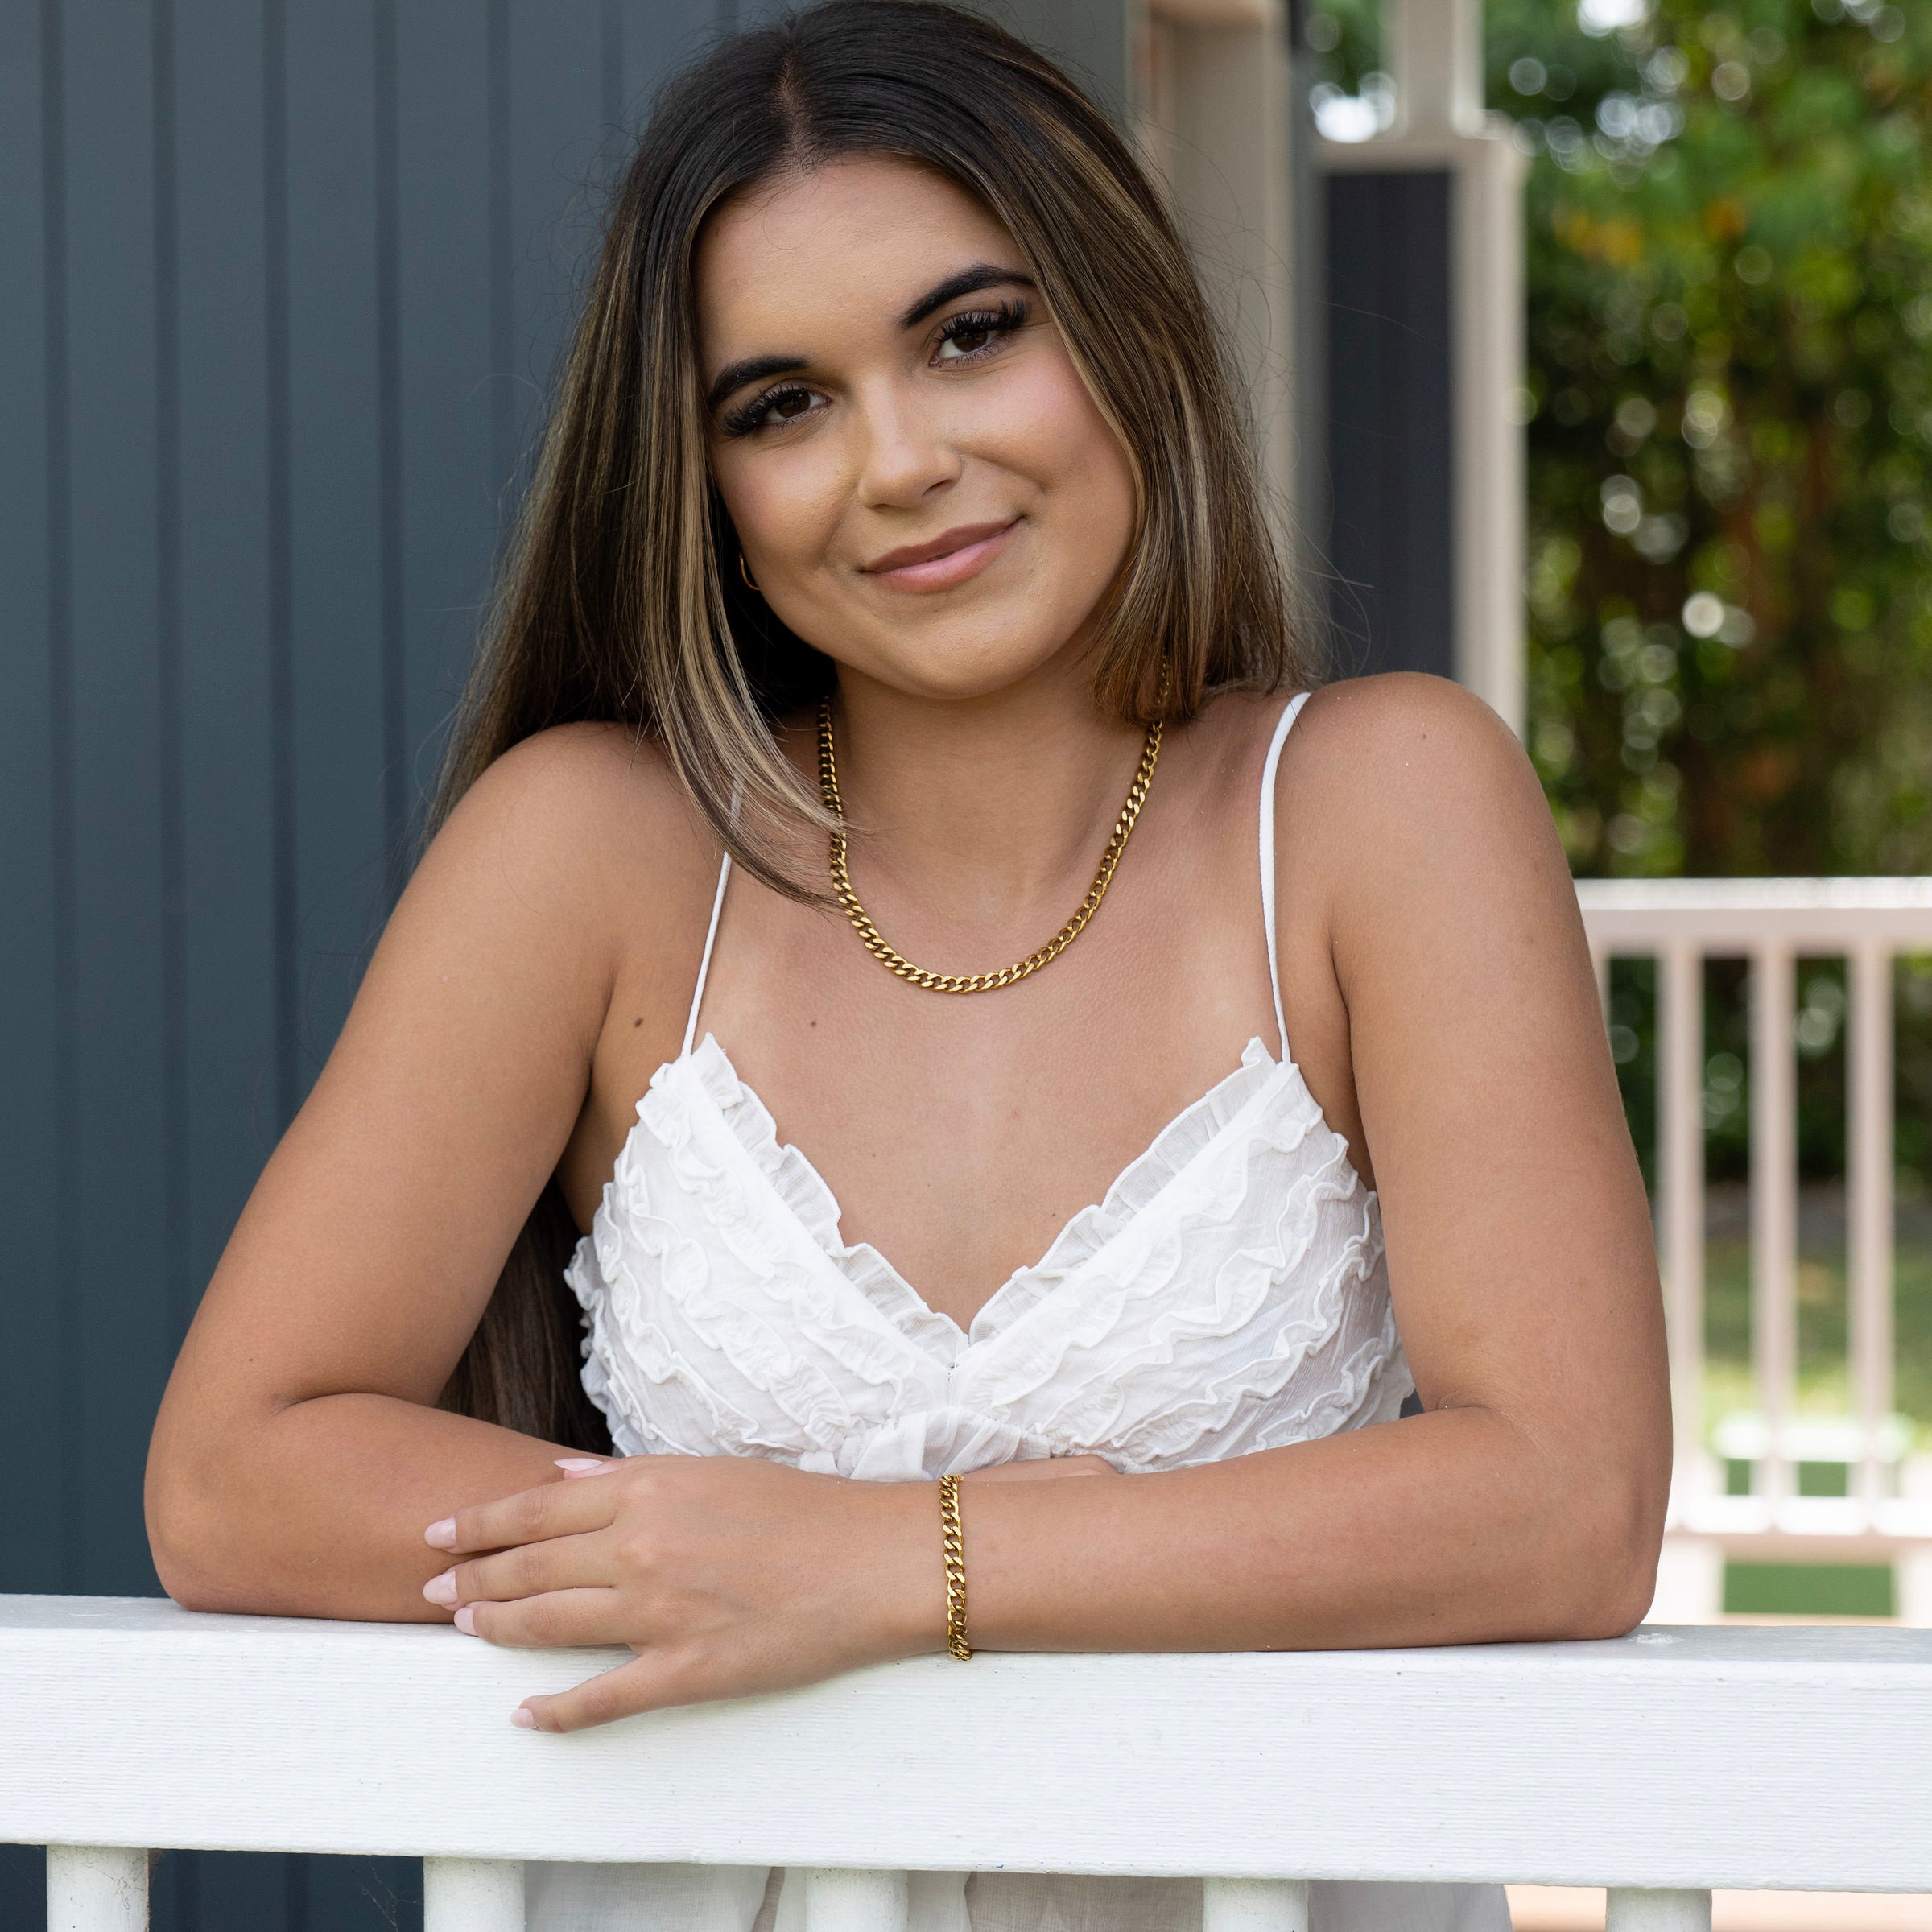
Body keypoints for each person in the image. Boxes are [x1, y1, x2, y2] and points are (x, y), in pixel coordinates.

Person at [145, 3, 1672, 1927]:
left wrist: (888, 1568)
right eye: (781, 404)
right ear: (705, 485)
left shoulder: (1382, 809)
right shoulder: (592, 850)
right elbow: (234, 1476)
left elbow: (1569, 1503)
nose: (900, 462)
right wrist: (832, 1554)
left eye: (972, 334)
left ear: (1118, 323)